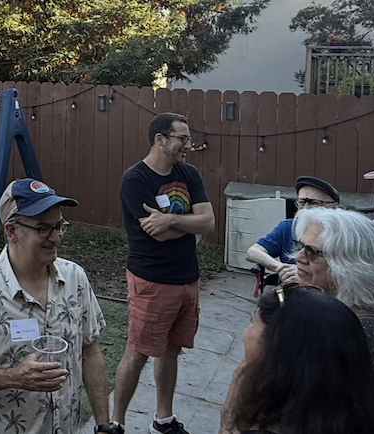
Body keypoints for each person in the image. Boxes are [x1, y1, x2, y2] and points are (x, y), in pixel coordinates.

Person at [0, 179, 119, 434]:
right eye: (44, 229)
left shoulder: (75, 279)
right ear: (12, 231)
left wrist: (104, 424)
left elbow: (90, 351)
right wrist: (15, 377)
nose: (56, 237)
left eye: (59, 226)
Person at [114, 112, 215, 434]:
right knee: (139, 352)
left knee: (172, 350)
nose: (188, 145)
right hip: (151, 280)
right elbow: (157, 234)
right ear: (160, 139)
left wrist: (170, 219)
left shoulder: (189, 173)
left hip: (188, 278)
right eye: (182, 139)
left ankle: (163, 419)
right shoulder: (136, 180)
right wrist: (188, 225)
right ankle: (115, 423)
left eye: (188, 139)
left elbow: (208, 222)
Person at [222, 286, 374, 434]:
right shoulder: (361, 417)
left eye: (254, 324)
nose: (245, 332)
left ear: (279, 353)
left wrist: (228, 421)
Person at [288, 207, 374, 407]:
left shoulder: (361, 332)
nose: (298, 257)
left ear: (350, 266)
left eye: (312, 252)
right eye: (301, 246)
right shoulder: (332, 313)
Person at [245, 176, 339, 283]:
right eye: (302, 202)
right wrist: (281, 268)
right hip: (287, 290)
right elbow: (253, 252)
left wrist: (303, 272)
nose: (305, 209)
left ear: (334, 206)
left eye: (314, 203)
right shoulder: (288, 227)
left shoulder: (342, 235)